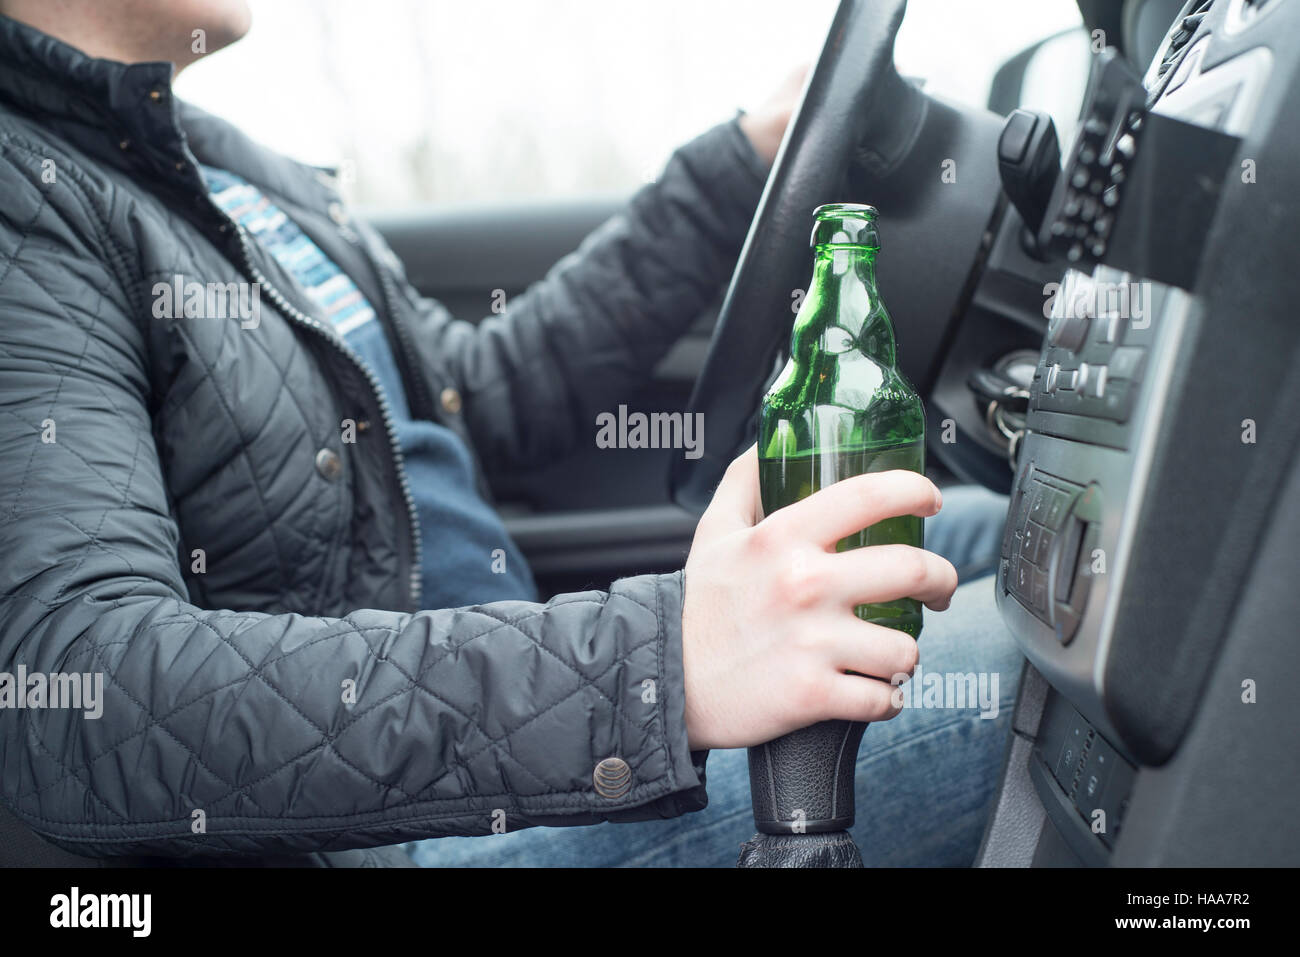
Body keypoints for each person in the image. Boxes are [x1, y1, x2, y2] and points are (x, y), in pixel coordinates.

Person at [0, 0, 1019, 867]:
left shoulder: (226, 175)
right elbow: (78, 689)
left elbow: (472, 402)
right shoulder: (26, 202)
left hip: (524, 727)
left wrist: (734, 168)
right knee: (1041, 672)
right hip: (405, 828)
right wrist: (663, 661)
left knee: (986, 535)